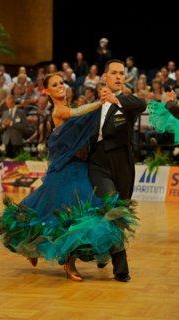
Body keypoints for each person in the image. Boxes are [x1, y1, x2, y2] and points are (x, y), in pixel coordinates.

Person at [0, 73, 138, 282]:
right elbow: (79, 112)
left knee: (73, 214)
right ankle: (65, 262)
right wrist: (102, 102)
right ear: (47, 91)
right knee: (63, 215)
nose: (60, 86)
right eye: (54, 84)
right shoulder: (60, 110)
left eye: (61, 82)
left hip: (80, 168)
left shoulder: (68, 107)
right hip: (66, 172)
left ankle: (37, 251)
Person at [88, 59, 147, 282]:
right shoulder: (95, 106)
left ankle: (104, 249)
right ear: (105, 76)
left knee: (118, 214)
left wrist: (117, 99)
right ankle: (121, 267)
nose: (119, 76)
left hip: (122, 164)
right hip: (98, 164)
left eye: (122, 73)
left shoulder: (127, 103)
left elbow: (141, 103)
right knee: (110, 204)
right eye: (114, 73)